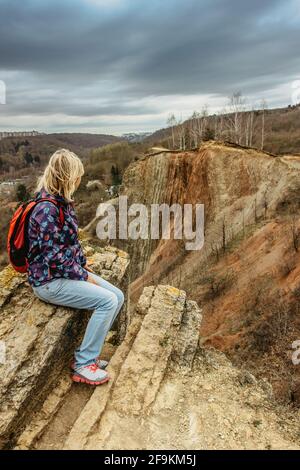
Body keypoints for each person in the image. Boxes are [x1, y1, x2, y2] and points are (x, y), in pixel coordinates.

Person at [27, 148, 124, 385]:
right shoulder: (47, 209)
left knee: (118, 296)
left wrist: (81, 263)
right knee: (107, 301)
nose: (80, 179)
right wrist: (82, 275)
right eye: (78, 175)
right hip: (48, 282)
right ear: (68, 177)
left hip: (63, 273)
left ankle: (87, 354)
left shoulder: (61, 202)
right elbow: (53, 256)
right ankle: (83, 364)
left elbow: (69, 241)